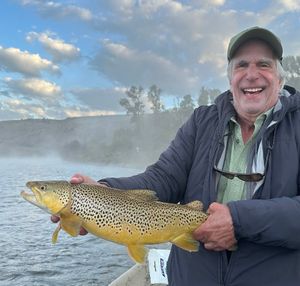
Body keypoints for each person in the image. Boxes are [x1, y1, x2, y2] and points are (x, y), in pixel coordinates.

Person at [52, 26, 300, 285]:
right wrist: (104, 192)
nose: (251, 75)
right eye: (241, 65)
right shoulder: (202, 121)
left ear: (280, 77)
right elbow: (163, 178)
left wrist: (240, 221)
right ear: (230, 77)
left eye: (264, 64)